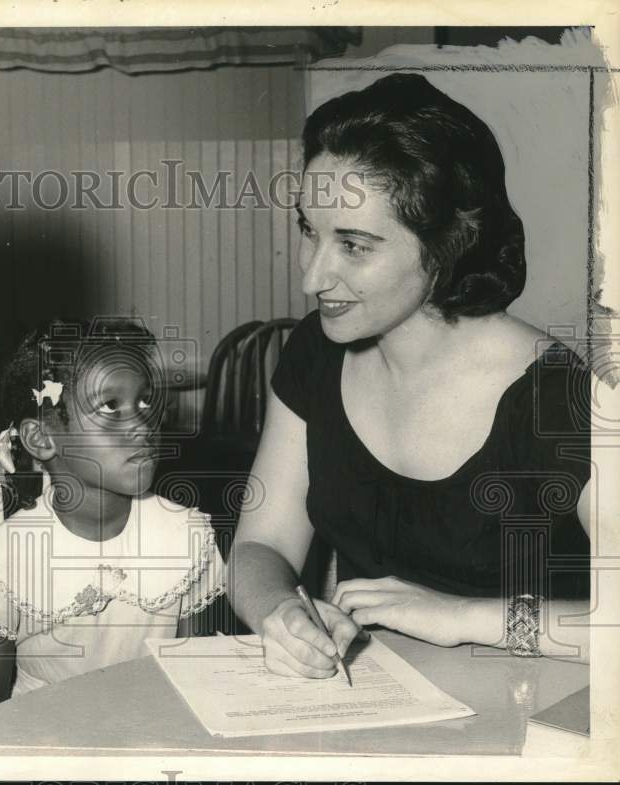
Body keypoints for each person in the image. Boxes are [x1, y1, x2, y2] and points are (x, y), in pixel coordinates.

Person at [228, 73, 593, 680]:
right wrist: (278, 613)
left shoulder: (562, 396)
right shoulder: (314, 351)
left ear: (446, 245)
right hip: (383, 702)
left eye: (354, 245)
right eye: (308, 232)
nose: (312, 279)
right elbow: (259, 545)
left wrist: (464, 617)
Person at [0, 319, 227, 703]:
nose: (142, 425)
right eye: (110, 407)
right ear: (41, 438)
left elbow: (196, 680)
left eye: (146, 401)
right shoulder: (6, 562)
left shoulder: (187, 536)